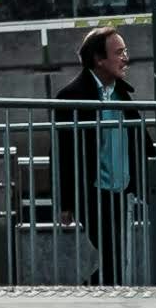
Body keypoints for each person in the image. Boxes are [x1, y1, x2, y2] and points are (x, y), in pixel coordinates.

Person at [53, 26, 140, 282]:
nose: (125, 58)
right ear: (99, 59)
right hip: (91, 191)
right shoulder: (71, 97)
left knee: (117, 258)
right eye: (119, 52)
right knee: (114, 257)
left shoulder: (121, 93)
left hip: (119, 191)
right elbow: (62, 152)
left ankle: (95, 297)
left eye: (125, 51)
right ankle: (86, 294)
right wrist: (66, 202)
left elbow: (138, 140)